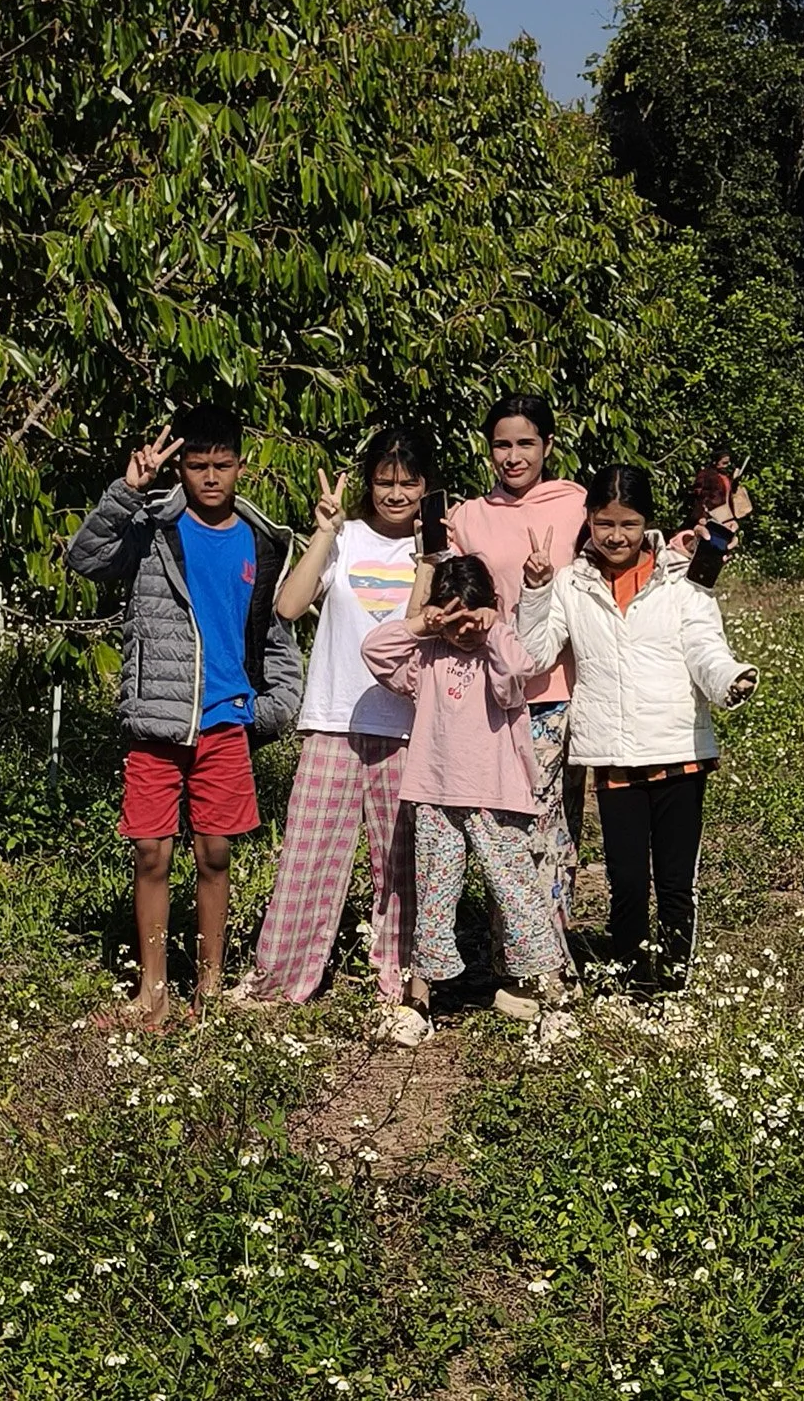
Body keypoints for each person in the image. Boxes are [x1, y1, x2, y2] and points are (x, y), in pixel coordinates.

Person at [66, 403, 303, 1027]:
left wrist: (274, 707)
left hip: (227, 721)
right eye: (197, 466)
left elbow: (275, 634)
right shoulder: (151, 527)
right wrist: (126, 491)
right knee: (151, 852)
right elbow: (85, 559)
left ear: (241, 468)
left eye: (222, 465)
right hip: (158, 718)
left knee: (215, 854)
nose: (210, 477)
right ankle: (152, 992)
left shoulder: (264, 542)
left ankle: (209, 991)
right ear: (182, 470)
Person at [519, 462, 757, 997]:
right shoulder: (569, 584)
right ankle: (631, 987)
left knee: (675, 884)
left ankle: (672, 986)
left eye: (628, 524)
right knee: (626, 883)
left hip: (679, 748)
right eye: (605, 523)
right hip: (615, 755)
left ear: (645, 522)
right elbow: (533, 655)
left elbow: (704, 646)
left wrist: (729, 679)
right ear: (589, 520)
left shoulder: (681, 576)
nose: (616, 536)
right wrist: (534, 592)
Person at [232, 426, 433, 1016]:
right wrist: (323, 534)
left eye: (408, 483)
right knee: (308, 852)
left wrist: (429, 560)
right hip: (333, 718)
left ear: (427, 487)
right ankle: (280, 979)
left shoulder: (436, 547)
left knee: (401, 863)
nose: (395, 494)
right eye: (383, 482)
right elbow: (289, 606)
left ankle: (400, 986)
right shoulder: (344, 538)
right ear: (368, 484)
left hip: (408, 723)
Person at [361, 554, 566, 1044]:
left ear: (491, 608)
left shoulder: (499, 651)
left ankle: (547, 992)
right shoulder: (427, 658)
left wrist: (495, 628)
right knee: (434, 896)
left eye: (474, 618)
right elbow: (375, 651)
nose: (465, 631)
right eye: (456, 621)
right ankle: (418, 1000)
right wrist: (423, 623)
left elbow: (522, 668)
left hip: (496, 794)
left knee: (516, 892)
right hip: (433, 793)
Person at [446, 395, 588, 948]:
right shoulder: (466, 517)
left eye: (525, 443)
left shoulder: (575, 505)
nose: (513, 456)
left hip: (559, 690)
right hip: (490, 696)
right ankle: (518, 949)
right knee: (506, 825)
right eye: (501, 444)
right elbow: (446, 591)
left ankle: (551, 949)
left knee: (554, 823)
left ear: (548, 447)